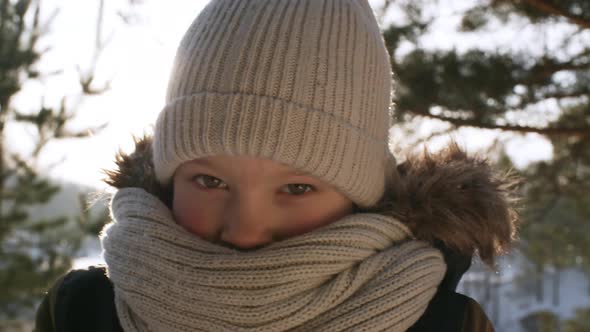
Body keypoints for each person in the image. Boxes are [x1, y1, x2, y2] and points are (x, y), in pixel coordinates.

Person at [34, 0, 519, 331]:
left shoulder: (448, 324)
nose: (246, 231)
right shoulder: (80, 312)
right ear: (166, 177)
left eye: (297, 188)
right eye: (210, 180)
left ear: (363, 196)